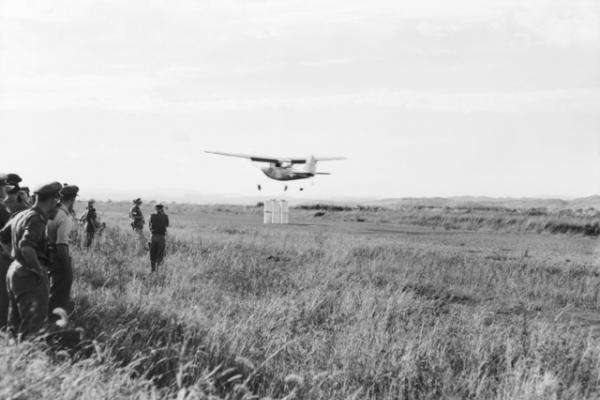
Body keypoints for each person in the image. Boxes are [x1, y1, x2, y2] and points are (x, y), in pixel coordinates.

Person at [0, 182, 62, 339]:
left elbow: (3, 237)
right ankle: (27, 357)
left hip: (14, 271)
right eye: (57, 203)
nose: (57, 207)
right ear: (53, 200)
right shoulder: (37, 219)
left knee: (14, 324)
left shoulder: (21, 215)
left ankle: (13, 358)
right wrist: (38, 270)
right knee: (31, 326)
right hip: (29, 275)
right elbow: (26, 247)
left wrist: (15, 257)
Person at [46, 185, 78, 315]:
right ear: (72, 199)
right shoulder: (64, 217)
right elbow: (61, 245)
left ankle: (49, 316)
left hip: (48, 254)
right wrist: (66, 269)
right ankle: (55, 320)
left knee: (53, 289)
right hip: (58, 257)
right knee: (60, 291)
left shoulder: (53, 212)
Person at [0, 175, 12, 329]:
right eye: (3, 187)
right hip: (2, 256)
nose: (5, 191)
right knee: (3, 295)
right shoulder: (1, 208)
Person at [149, 203, 169, 272]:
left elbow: (149, 226)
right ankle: (158, 271)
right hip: (161, 237)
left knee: (152, 254)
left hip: (153, 236)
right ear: (162, 209)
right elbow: (166, 225)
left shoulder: (152, 215)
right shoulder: (165, 216)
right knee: (160, 254)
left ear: (156, 209)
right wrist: (163, 214)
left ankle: (152, 270)